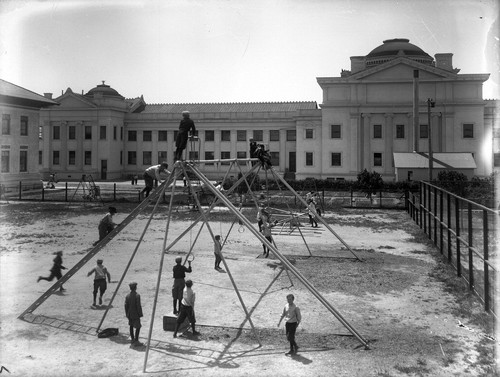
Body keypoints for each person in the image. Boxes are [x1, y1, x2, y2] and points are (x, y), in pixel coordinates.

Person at [125, 282, 143, 346]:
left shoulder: (127, 296)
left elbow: (126, 306)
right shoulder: (137, 296)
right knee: (138, 327)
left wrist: (127, 314)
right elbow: (138, 306)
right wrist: (140, 314)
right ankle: (136, 340)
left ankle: (132, 339)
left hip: (130, 314)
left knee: (131, 326)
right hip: (135, 314)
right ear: (135, 287)